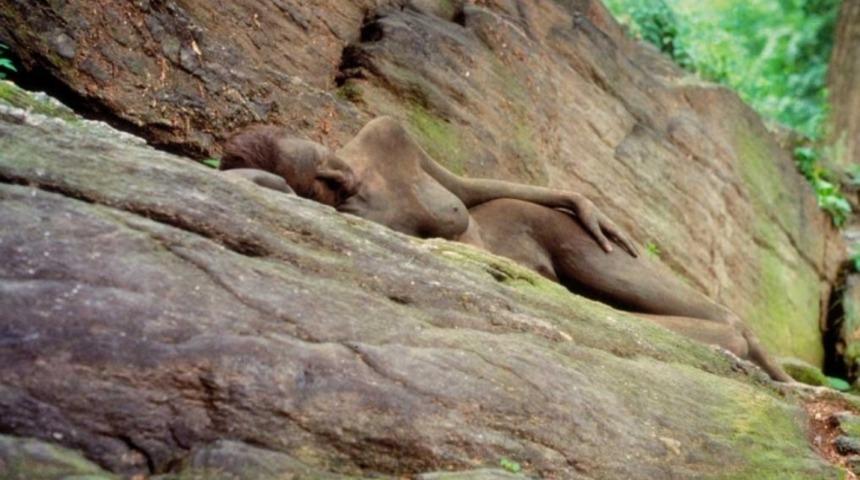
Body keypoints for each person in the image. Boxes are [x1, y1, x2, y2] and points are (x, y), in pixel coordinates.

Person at [219, 116, 792, 382]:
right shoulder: (348, 234)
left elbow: (467, 190)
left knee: (718, 316)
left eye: (323, 152)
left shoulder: (383, 138)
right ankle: (788, 395)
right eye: (320, 184)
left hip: (533, 230)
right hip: (522, 300)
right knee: (723, 343)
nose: (338, 172)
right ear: (300, 200)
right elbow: (243, 191)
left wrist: (568, 196)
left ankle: (796, 387)